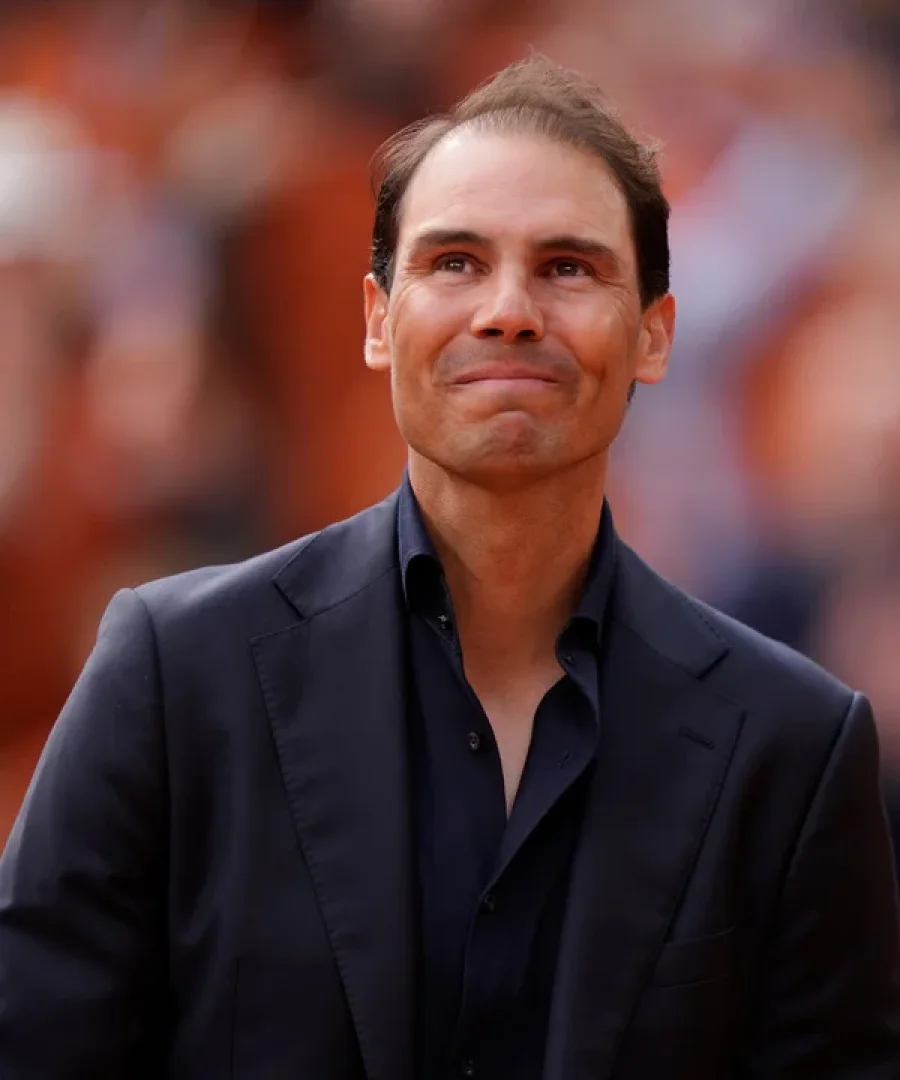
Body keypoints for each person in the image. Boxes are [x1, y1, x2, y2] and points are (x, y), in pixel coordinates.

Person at [1, 57, 898, 1080]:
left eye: (568, 267)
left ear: (654, 335)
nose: (508, 310)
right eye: (457, 262)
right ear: (379, 322)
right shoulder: (175, 674)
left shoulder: (792, 745)